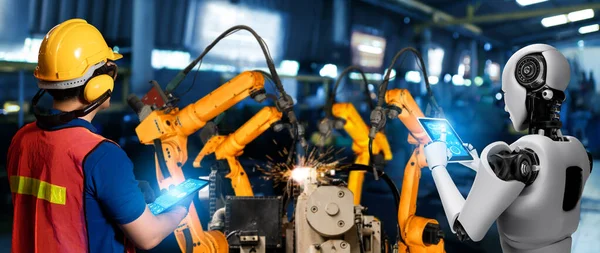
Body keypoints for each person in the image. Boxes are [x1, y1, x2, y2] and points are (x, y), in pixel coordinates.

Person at [7, 19, 189, 253]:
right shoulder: (101, 155)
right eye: (109, 71)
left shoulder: (22, 138)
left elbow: (62, 202)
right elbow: (149, 236)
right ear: (97, 84)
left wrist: (119, 192)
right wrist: (180, 208)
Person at [423, 44, 592, 253]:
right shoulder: (578, 152)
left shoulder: (523, 156)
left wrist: (437, 166)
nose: (505, 106)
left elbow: (464, 228)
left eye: (506, 94)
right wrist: (478, 165)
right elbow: (541, 188)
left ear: (526, 87)